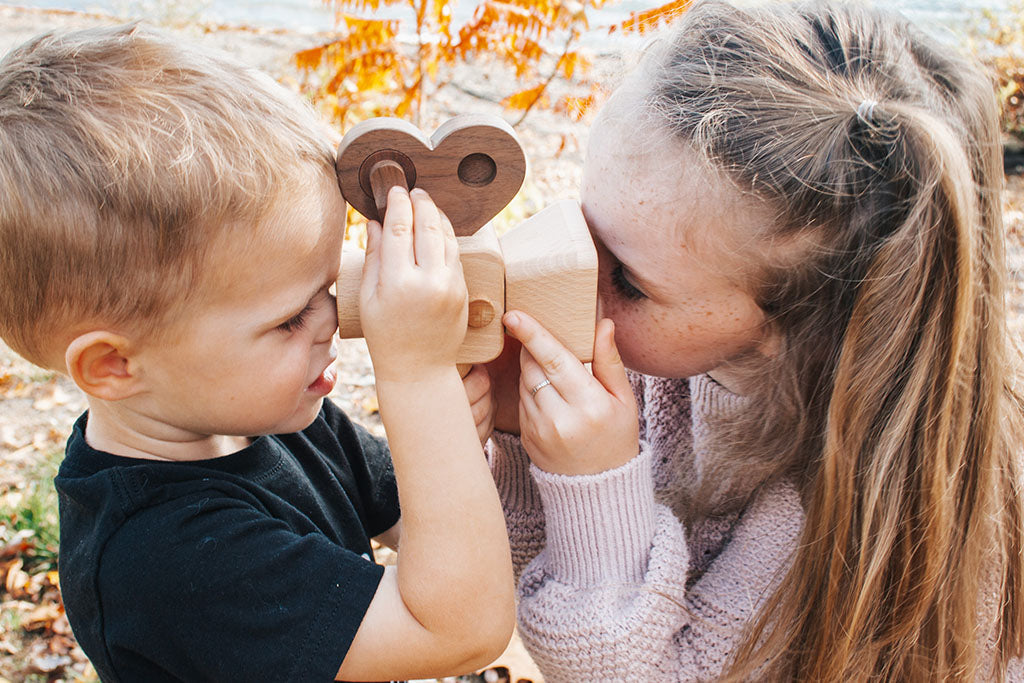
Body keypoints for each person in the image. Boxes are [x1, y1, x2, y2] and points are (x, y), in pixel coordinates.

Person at [475, 0, 1024, 679]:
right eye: (576, 218)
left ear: (789, 330)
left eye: (624, 276)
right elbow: (534, 588)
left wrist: (589, 485)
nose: (579, 274)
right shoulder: (669, 345)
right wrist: (521, 442)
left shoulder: (837, 495)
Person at [0, 25, 514, 682]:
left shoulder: (273, 405)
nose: (333, 318)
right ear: (113, 365)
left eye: (328, 285)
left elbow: (422, 533)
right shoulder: (167, 561)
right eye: (291, 315)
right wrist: (417, 376)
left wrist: (450, 432)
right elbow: (460, 626)